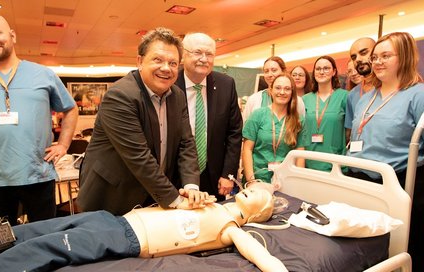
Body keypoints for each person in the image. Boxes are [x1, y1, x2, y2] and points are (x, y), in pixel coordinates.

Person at [0, 185, 286, 272]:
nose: (253, 189)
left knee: (48, 246)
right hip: (115, 218)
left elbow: (260, 255)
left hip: (126, 238)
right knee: (36, 229)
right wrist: (186, 194)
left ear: (256, 214)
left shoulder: (230, 228)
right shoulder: (212, 201)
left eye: (258, 194)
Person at [0, 12, 78, 226]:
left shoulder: (43, 74)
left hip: (37, 174)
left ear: (12, 36)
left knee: (44, 237)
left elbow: (70, 109)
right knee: (0, 243)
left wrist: (63, 144)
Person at [78, 28, 211, 215]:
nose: (166, 68)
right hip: (111, 198)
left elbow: (186, 143)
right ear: (139, 61)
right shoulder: (120, 96)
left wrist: (191, 185)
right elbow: (139, 158)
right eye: (158, 60)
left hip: (153, 196)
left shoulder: (177, 95)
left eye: (173, 63)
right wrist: (175, 199)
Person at [346, 32, 424, 270]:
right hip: (360, 181)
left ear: (406, 57)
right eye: (376, 57)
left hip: (398, 183)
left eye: (386, 56)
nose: (377, 62)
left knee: (397, 249)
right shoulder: (365, 98)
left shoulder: (417, 95)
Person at [175, 32, 242, 201]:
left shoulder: (226, 85)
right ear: (183, 55)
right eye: (197, 52)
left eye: (209, 54)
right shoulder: (170, 83)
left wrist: (229, 174)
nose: (204, 59)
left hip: (214, 176)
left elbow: (234, 132)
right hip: (175, 176)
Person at [242, 73, 309, 183]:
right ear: (270, 91)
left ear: (292, 92)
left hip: (286, 180)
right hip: (258, 178)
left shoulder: (298, 120)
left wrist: (298, 183)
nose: (282, 92)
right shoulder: (258, 115)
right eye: (278, 88)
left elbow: (300, 154)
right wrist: (251, 180)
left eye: (287, 89)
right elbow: (247, 149)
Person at [302, 56, 347, 171]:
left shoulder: (344, 96)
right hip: (309, 161)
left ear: (334, 72)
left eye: (326, 68)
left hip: (335, 163)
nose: (321, 72)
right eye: (318, 69)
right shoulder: (305, 99)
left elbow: (350, 131)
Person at [243, 56, 305, 123]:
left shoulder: (297, 101)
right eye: (266, 71)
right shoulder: (254, 99)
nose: (270, 74)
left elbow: (300, 127)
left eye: (274, 70)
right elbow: (246, 127)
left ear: (283, 71)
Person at [344, 37, 376, 143]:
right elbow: (349, 131)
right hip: (357, 154)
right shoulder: (352, 95)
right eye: (353, 57)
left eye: (363, 53)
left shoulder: (392, 90)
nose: (357, 59)